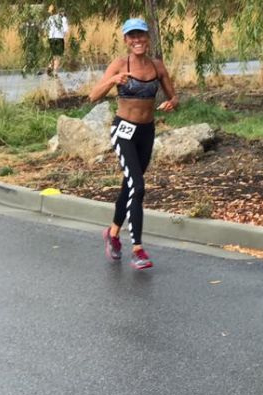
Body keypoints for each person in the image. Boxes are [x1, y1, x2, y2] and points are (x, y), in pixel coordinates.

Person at [89, 18, 179, 270]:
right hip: (123, 132)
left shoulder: (157, 67)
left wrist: (173, 102)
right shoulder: (119, 64)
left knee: (129, 187)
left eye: (141, 36)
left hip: (146, 132)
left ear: (148, 39)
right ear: (126, 41)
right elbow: (93, 96)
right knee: (137, 187)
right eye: (132, 36)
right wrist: (113, 80)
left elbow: (174, 96)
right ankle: (137, 249)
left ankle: (113, 234)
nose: (137, 40)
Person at [44, 4, 68, 76]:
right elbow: (65, 30)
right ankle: (55, 72)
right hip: (59, 38)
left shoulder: (50, 18)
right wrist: (66, 40)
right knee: (58, 56)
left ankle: (50, 67)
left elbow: (46, 29)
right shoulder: (63, 18)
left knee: (54, 55)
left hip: (51, 39)